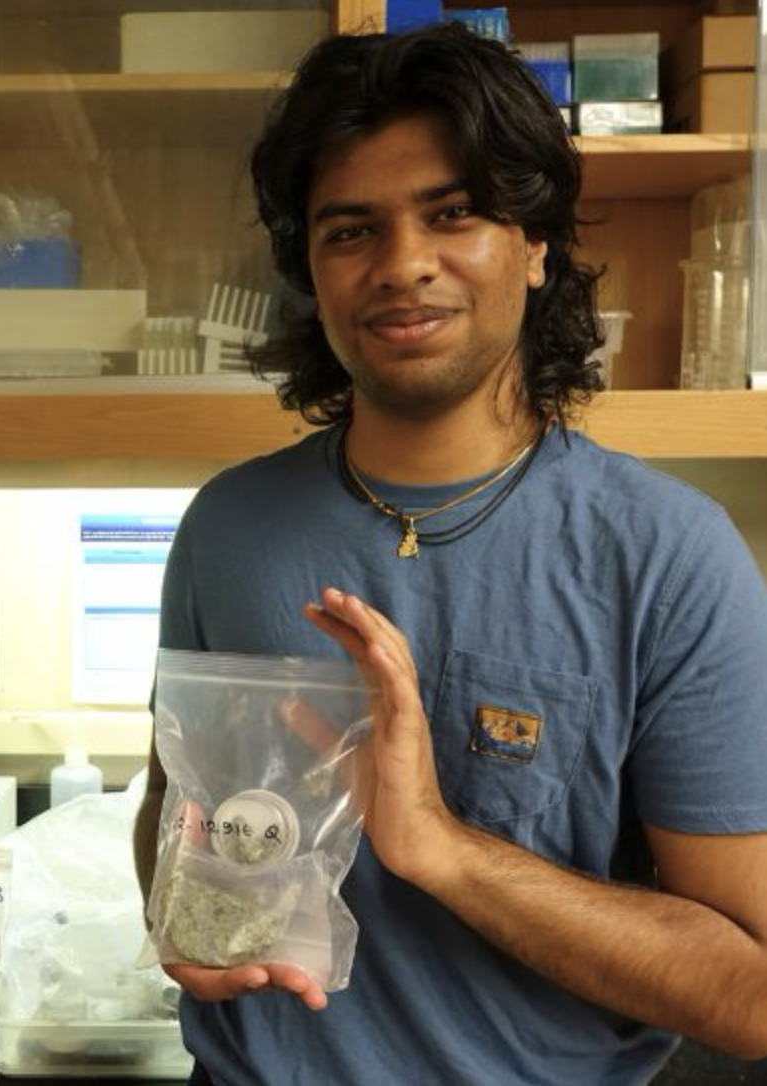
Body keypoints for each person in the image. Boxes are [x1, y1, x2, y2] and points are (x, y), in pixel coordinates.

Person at [133, 23, 767, 1086]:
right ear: (313, 271)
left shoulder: (669, 558)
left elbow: (749, 997)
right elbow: (172, 810)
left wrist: (444, 848)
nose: (402, 265)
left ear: (536, 243)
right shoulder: (227, 529)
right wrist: (182, 915)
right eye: (350, 230)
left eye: (453, 213)